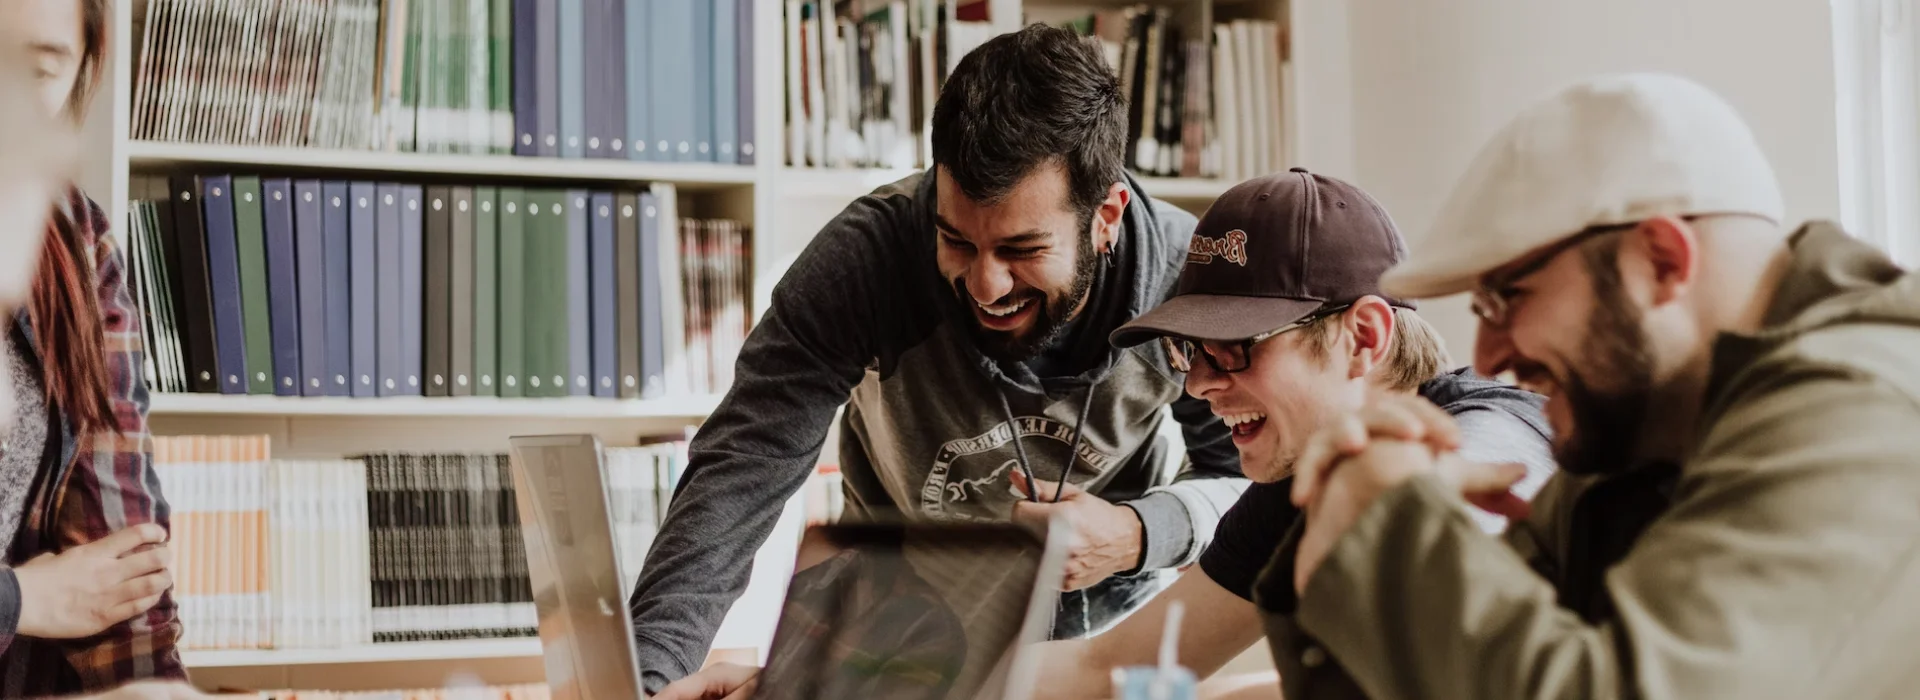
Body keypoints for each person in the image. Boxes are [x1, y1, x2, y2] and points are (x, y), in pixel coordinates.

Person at [1263, 72, 1920, 699]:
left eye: (1507, 298)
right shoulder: (1639, 427)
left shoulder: (1862, 413)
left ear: (1661, 261)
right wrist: (1343, 516)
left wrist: (1388, 520)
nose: (1487, 361)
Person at [628, 24, 1243, 692]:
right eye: (956, 240)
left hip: (1106, 644)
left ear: (1106, 216)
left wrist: (1135, 534)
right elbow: (740, 473)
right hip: (898, 632)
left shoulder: (1184, 284)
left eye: (1022, 250)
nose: (986, 285)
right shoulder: (865, 261)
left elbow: (1248, 484)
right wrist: (648, 679)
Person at [1027, 169, 1553, 699]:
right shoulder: (1293, 484)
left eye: (1232, 347)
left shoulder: (1499, 426)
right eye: (1190, 348)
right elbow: (1106, 666)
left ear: (1364, 337)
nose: (1199, 383)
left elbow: (1470, 496)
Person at [0, 0, 185, 695]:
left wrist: (150, 688)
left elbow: (120, 561)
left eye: (36, 70)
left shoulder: (72, 237)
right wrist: (24, 600)